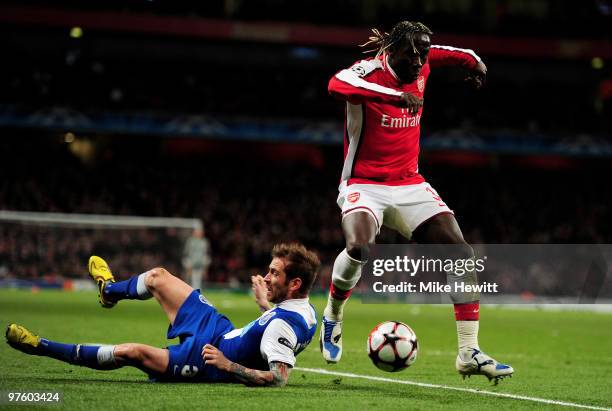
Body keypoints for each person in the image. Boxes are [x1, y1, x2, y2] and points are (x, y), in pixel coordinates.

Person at [320, 20, 513, 382]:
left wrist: (475, 64)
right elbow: (336, 84)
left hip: (409, 182)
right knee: (360, 246)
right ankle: (333, 315)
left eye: (423, 53)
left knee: (461, 252)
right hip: (364, 183)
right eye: (411, 53)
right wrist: (395, 96)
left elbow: (460, 54)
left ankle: (468, 352)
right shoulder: (369, 72)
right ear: (392, 51)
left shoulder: (423, 60)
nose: (419, 60)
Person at [6, 243, 319, 387]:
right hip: (219, 329)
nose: (265, 277)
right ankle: (109, 291)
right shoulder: (304, 311)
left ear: (294, 283)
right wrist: (266, 304)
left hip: (207, 360)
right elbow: (277, 329)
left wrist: (227, 365)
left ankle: (40, 346)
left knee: (132, 352)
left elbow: (278, 377)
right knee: (158, 277)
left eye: (273, 274)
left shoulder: (283, 325)